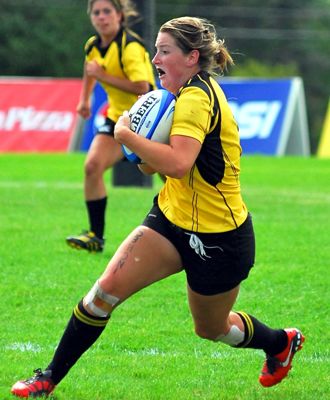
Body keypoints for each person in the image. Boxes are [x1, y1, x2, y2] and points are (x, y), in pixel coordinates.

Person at [11, 16, 304, 398]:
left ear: (191, 57)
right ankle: (47, 378)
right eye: (156, 50)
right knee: (103, 293)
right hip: (170, 219)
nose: (155, 59)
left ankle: (279, 342)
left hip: (220, 237)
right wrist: (139, 146)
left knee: (212, 329)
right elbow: (157, 166)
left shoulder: (198, 98)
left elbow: (179, 163)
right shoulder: (176, 97)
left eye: (164, 51)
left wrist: (126, 135)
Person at [66, 0, 156, 253]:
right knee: (92, 166)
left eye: (107, 11)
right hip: (118, 118)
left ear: (119, 15)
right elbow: (90, 70)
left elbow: (144, 88)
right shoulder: (93, 45)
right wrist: (84, 99)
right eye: (96, 12)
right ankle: (96, 236)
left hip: (149, 121)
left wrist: (102, 76)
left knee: (172, 176)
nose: (101, 17)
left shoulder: (130, 46)